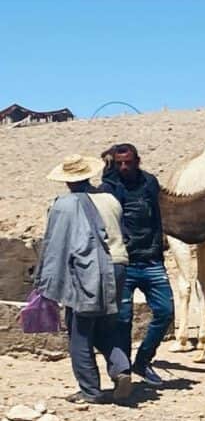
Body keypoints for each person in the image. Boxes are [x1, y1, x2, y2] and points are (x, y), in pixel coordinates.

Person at [36, 154, 132, 404]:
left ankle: (90, 390)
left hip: (88, 272)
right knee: (106, 325)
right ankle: (121, 369)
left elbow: (55, 245)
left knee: (80, 332)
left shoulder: (63, 205)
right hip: (118, 267)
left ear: (67, 181)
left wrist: (46, 282)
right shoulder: (110, 199)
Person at [100, 143, 172, 386]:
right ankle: (123, 371)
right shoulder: (109, 188)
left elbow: (157, 217)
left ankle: (143, 362)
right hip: (124, 263)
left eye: (128, 162)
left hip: (151, 260)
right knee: (123, 318)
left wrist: (159, 247)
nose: (123, 167)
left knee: (165, 312)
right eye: (119, 163)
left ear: (137, 161)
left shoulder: (149, 182)